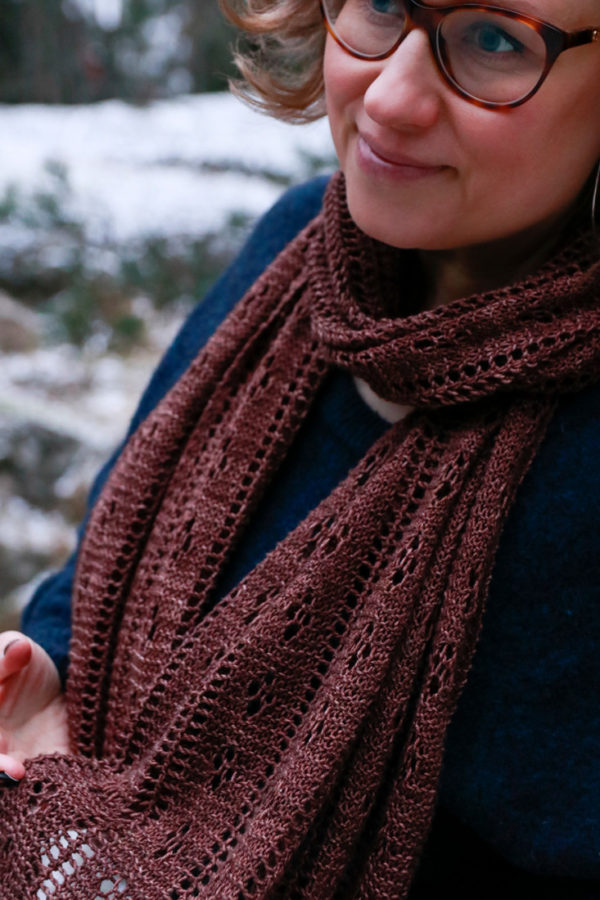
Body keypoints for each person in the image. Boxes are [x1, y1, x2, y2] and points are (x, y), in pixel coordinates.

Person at [0, 0, 598, 896]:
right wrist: (56, 675)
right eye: (384, 4)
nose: (391, 98)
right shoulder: (295, 256)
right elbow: (108, 573)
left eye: (494, 41)